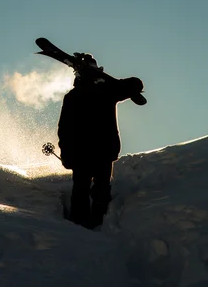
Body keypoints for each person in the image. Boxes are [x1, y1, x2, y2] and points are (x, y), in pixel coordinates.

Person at [57, 52, 145, 229]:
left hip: (97, 150)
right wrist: (65, 153)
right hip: (88, 151)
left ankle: (94, 225)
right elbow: (64, 129)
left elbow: (135, 83)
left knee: (96, 189)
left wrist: (66, 152)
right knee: (87, 189)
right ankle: (85, 226)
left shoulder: (106, 91)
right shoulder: (97, 92)